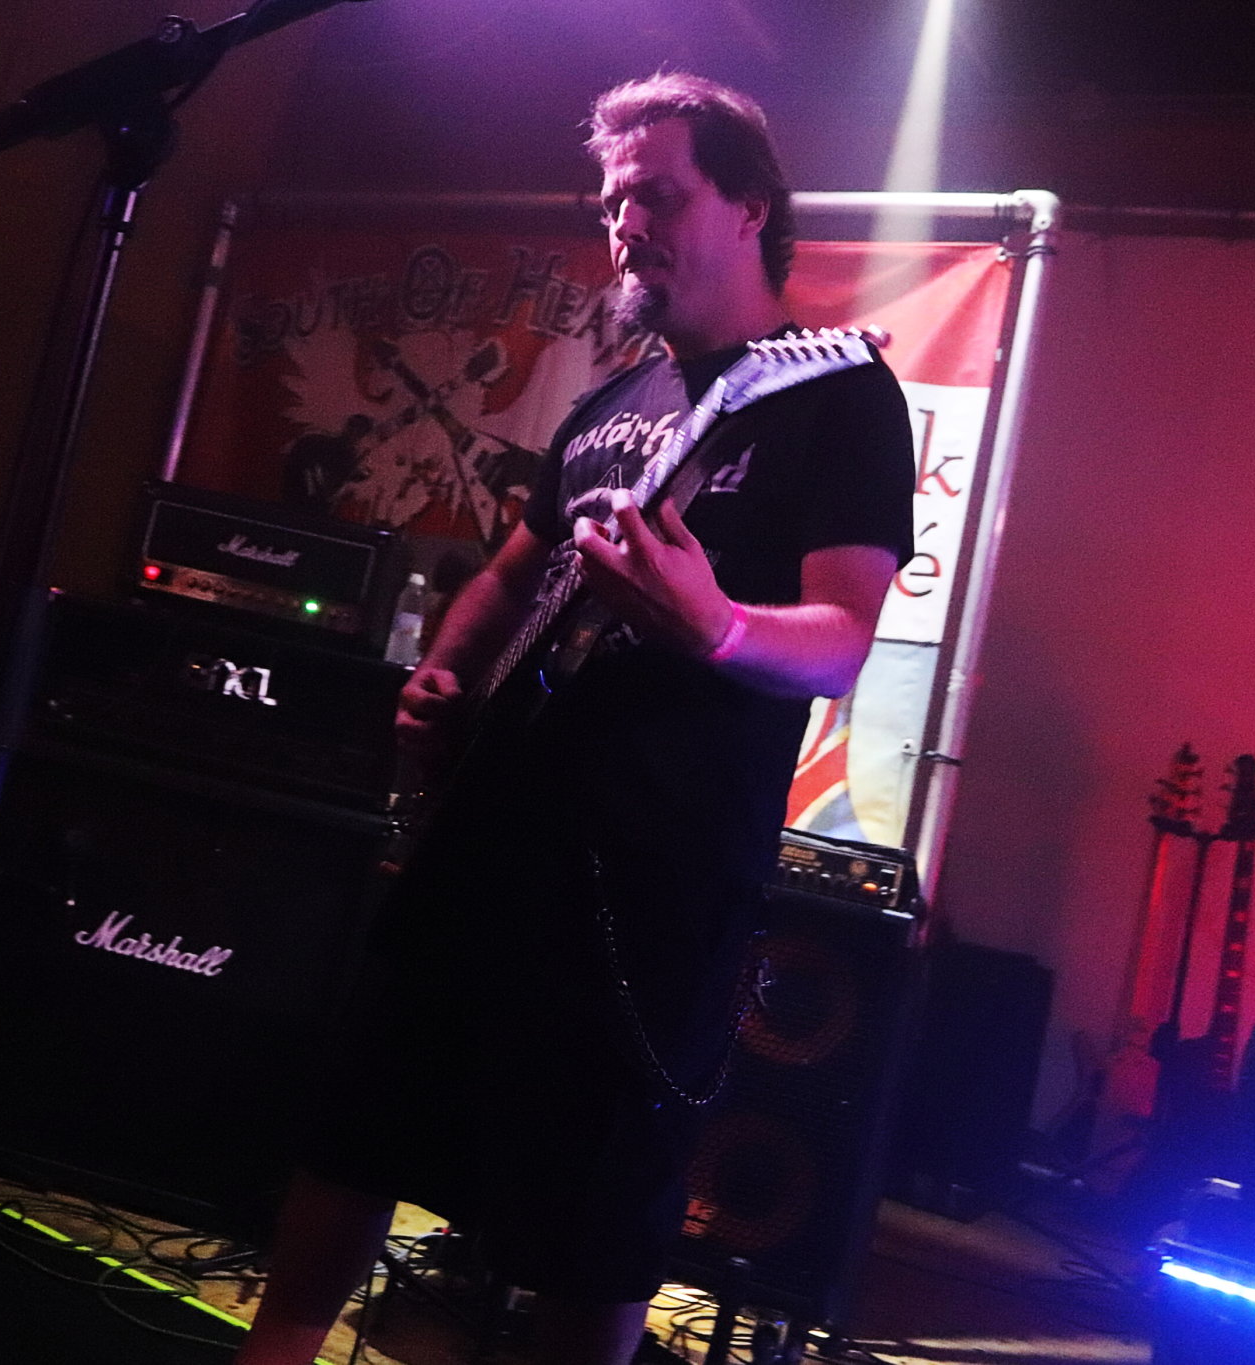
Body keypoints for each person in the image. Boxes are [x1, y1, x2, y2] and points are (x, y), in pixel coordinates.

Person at [234, 72, 915, 1365]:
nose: (625, 225)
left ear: (750, 207)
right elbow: (513, 571)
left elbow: (841, 637)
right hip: (500, 824)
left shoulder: (840, 399)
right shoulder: (616, 406)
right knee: (363, 1115)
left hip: (657, 868)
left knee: (597, 1203)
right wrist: (447, 676)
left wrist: (715, 624)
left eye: (657, 195)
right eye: (612, 203)